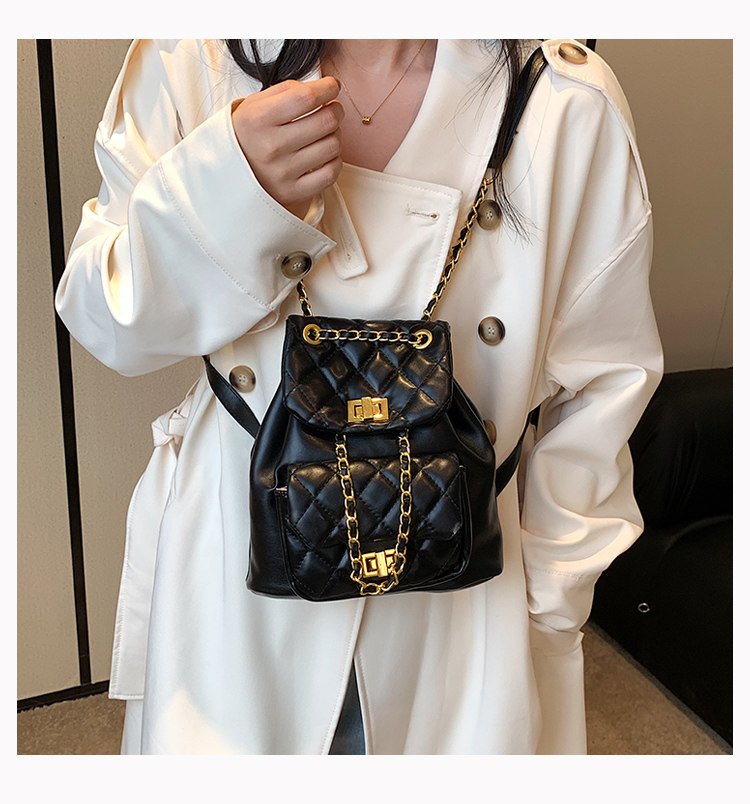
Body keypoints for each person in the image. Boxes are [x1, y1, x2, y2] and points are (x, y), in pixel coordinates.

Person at [55, 38, 663, 755]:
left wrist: (551, 602)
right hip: (237, 572)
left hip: (465, 599)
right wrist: (228, 191)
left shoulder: (564, 100)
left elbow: (603, 385)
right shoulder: (196, 53)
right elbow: (105, 321)